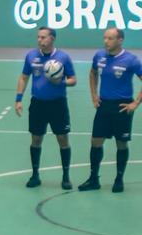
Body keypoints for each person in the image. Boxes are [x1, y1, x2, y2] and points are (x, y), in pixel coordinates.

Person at [81, 26, 142, 193]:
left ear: (120, 40)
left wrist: (135, 103)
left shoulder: (131, 60)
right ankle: (94, 179)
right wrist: (94, 95)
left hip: (122, 106)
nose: (106, 41)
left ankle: (119, 179)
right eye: (105, 38)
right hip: (104, 106)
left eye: (110, 38)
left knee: (121, 143)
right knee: (95, 141)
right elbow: (92, 73)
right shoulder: (99, 56)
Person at [16, 27, 76, 190]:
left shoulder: (63, 57)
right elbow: (23, 77)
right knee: (36, 139)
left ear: (52, 39)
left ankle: (65, 176)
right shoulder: (31, 56)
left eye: (43, 37)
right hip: (38, 104)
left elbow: (73, 79)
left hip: (58, 104)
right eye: (38, 37)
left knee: (62, 139)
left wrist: (61, 82)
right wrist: (19, 99)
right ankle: (35, 175)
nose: (39, 40)